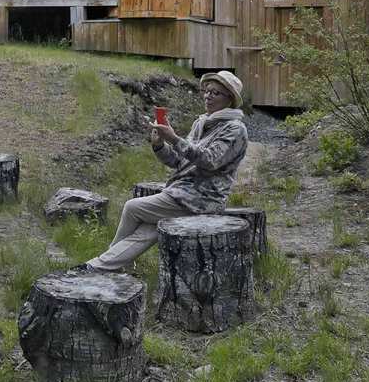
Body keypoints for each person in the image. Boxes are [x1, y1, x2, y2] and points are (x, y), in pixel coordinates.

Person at [84, 71, 249, 272]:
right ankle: (101, 267)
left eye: (216, 93)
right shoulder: (201, 123)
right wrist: (160, 145)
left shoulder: (235, 129)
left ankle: (100, 267)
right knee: (147, 231)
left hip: (201, 199)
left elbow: (209, 161)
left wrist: (174, 138)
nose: (208, 96)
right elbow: (179, 161)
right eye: (206, 91)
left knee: (132, 207)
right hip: (183, 193)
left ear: (230, 99)